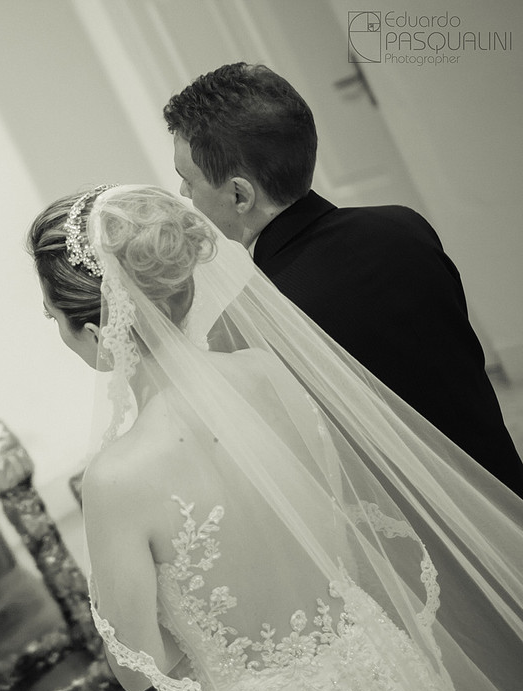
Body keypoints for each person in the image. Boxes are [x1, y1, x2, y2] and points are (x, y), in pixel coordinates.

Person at [28, 183, 523, 691]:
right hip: (382, 672)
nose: (56, 331)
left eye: (54, 318)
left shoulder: (117, 479)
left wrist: (216, 646)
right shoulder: (269, 372)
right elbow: (339, 530)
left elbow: (135, 671)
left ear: (99, 332)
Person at [162, 61, 523, 497]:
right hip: (507, 489)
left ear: (240, 195)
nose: (185, 194)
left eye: (188, 179)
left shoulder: (246, 324)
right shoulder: (404, 228)